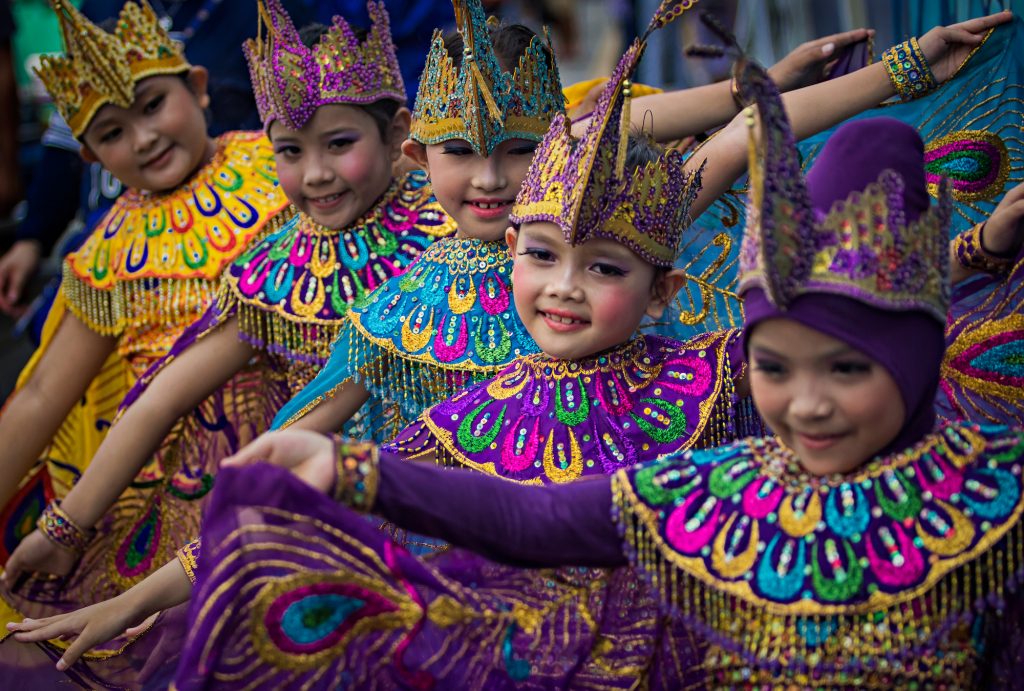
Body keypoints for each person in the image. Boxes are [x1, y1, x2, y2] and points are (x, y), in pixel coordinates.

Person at [169, 65, 1024, 687]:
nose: (806, 402)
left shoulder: (999, 498)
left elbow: (823, 256)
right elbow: (530, 516)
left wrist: (973, 243)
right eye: (776, 366)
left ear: (664, 293)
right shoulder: (712, 490)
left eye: (846, 369)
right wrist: (347, 469)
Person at [0, 0, 290, 677]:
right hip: (183, 495)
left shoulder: (282, 165)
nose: (144, 136)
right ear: (90, 155)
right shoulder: (107, 254)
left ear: (195, 87)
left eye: (153, 103)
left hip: (314, 437)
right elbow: (45, 392)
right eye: (112, 131)